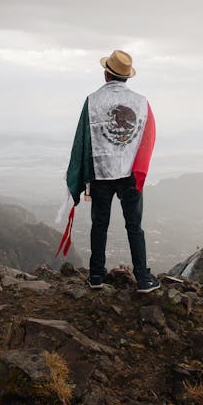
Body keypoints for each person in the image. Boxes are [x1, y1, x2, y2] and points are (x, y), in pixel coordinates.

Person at [65, 49, 160, 293]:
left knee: (100, 224)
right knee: (134, 226)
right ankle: (142, 278)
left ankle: (96, 275)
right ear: (127, 77)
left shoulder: (92, 100)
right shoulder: (141, 102)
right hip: (130, 173)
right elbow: (148, 139)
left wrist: (81, 174)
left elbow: (82, 140)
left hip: (101, 173)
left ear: (106, 73)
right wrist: (139, 170)